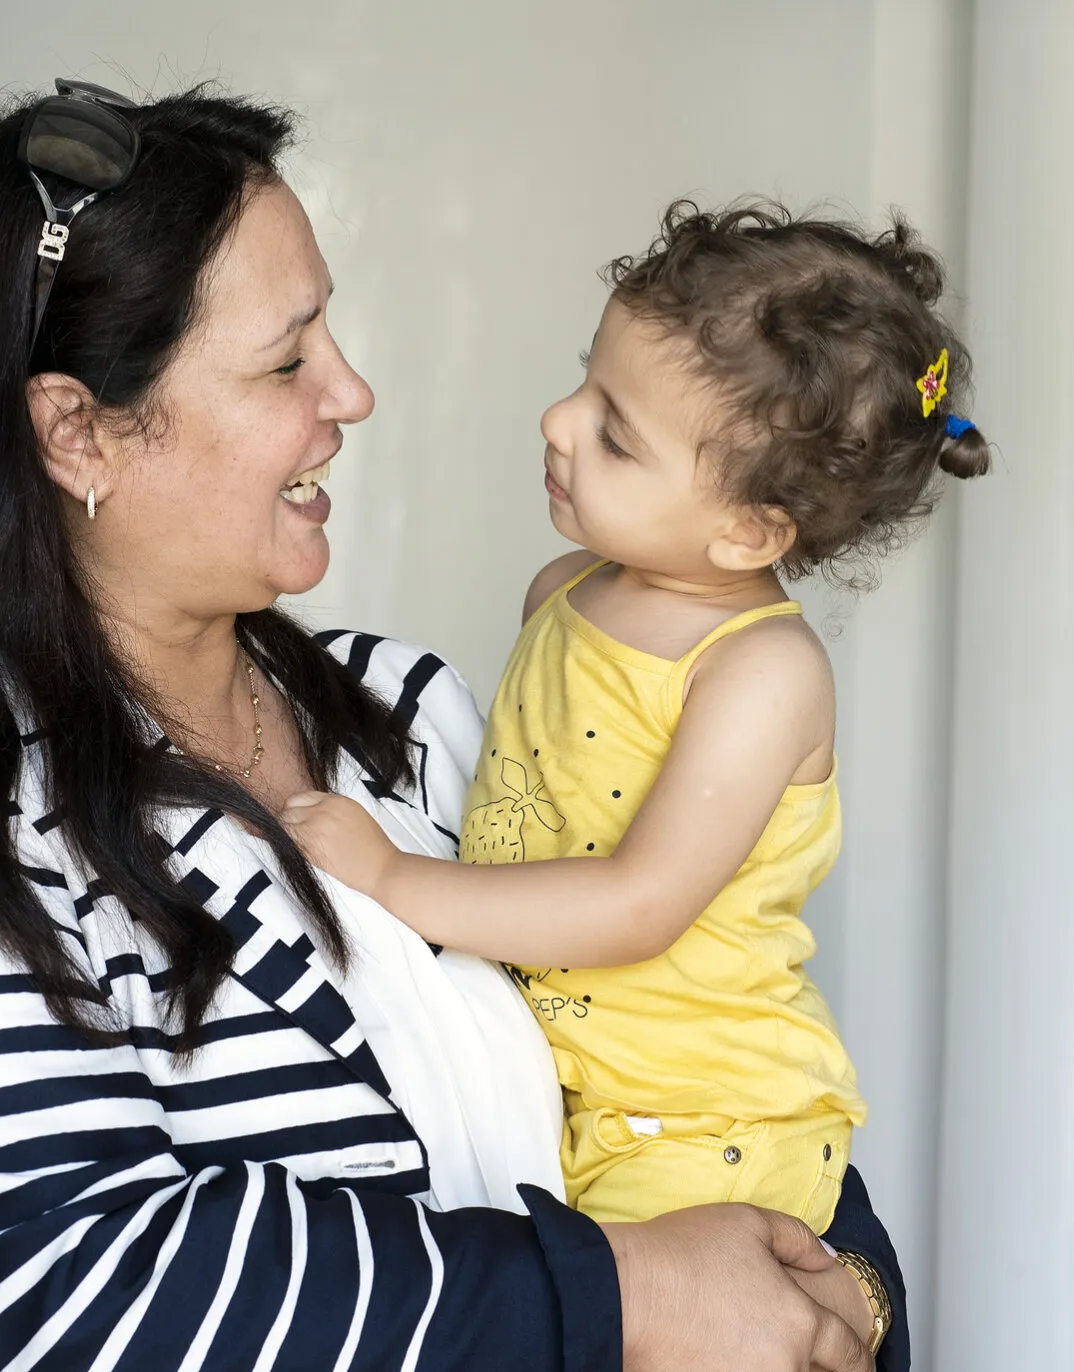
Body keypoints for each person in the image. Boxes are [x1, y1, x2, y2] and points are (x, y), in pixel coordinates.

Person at [0, 80, 907, 1372]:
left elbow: (704, 1082)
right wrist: (622, 1299)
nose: (353, 393)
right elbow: (48, 1288)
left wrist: (844, 1301)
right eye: (287, 359)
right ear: (79, 433)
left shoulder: (405, 721)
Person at [285, 205, 984, 1358]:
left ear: (749, 530)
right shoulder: (563, 592)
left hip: (703, 1121)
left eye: (616, 435)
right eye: (583, 385)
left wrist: (393, 878)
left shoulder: (761, 671)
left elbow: (636, 902)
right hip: (577, 1102)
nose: (558, 423)